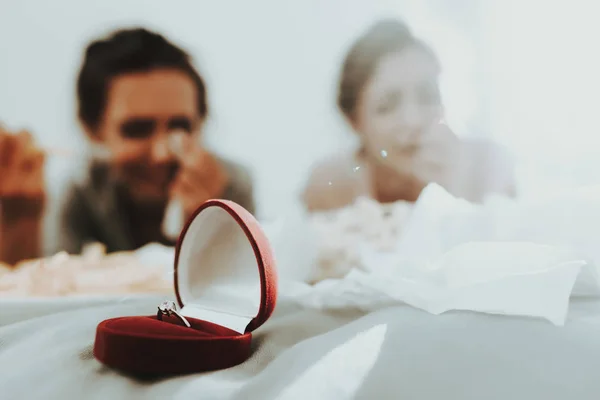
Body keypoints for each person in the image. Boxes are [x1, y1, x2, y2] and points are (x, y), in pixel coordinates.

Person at [0, 28, 254, 265]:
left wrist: (211, 229)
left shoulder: (230, 187)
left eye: (180, 127)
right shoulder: (78, 194)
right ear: (92, 130)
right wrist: (18, 223)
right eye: (137, 130)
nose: (161, 154)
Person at [302, 19, 516, 212]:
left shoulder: (489, 168)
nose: (413, 121)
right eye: (387, 107)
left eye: (427, 96)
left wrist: (455, 190)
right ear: (354, 121)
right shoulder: (330, 187)